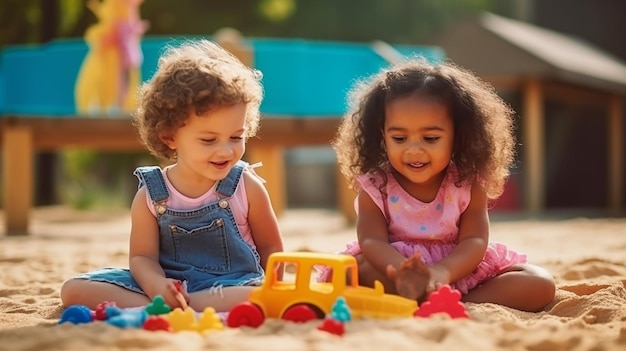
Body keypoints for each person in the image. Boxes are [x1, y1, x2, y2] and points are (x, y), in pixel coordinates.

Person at [61, 39, 284, 312]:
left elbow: (271, 248)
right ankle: (167, 304)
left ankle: (167, 308)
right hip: (167, 284)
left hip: (231, 285)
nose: (226, 150)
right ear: (169, 137)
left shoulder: (245, 186)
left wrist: (276, 287)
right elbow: (142, 257)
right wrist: (156, 285)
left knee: (257, 295)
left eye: (236, 137)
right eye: (208, 140)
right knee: (73, 289)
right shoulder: (152, 195)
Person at [323, 58, 555, 312]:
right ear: (382, 136)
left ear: (458, 136)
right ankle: (422, 298)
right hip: (394, 271)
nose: (413, 149)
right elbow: (371, 241)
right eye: (399, 138)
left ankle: (452, 302)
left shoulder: (468, 182)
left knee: (539, 283)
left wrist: (443, 271)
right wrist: (403, 271)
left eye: (430, 138)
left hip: (459, 271)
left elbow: (475, 239)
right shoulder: (376, 185)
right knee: (353, 270)